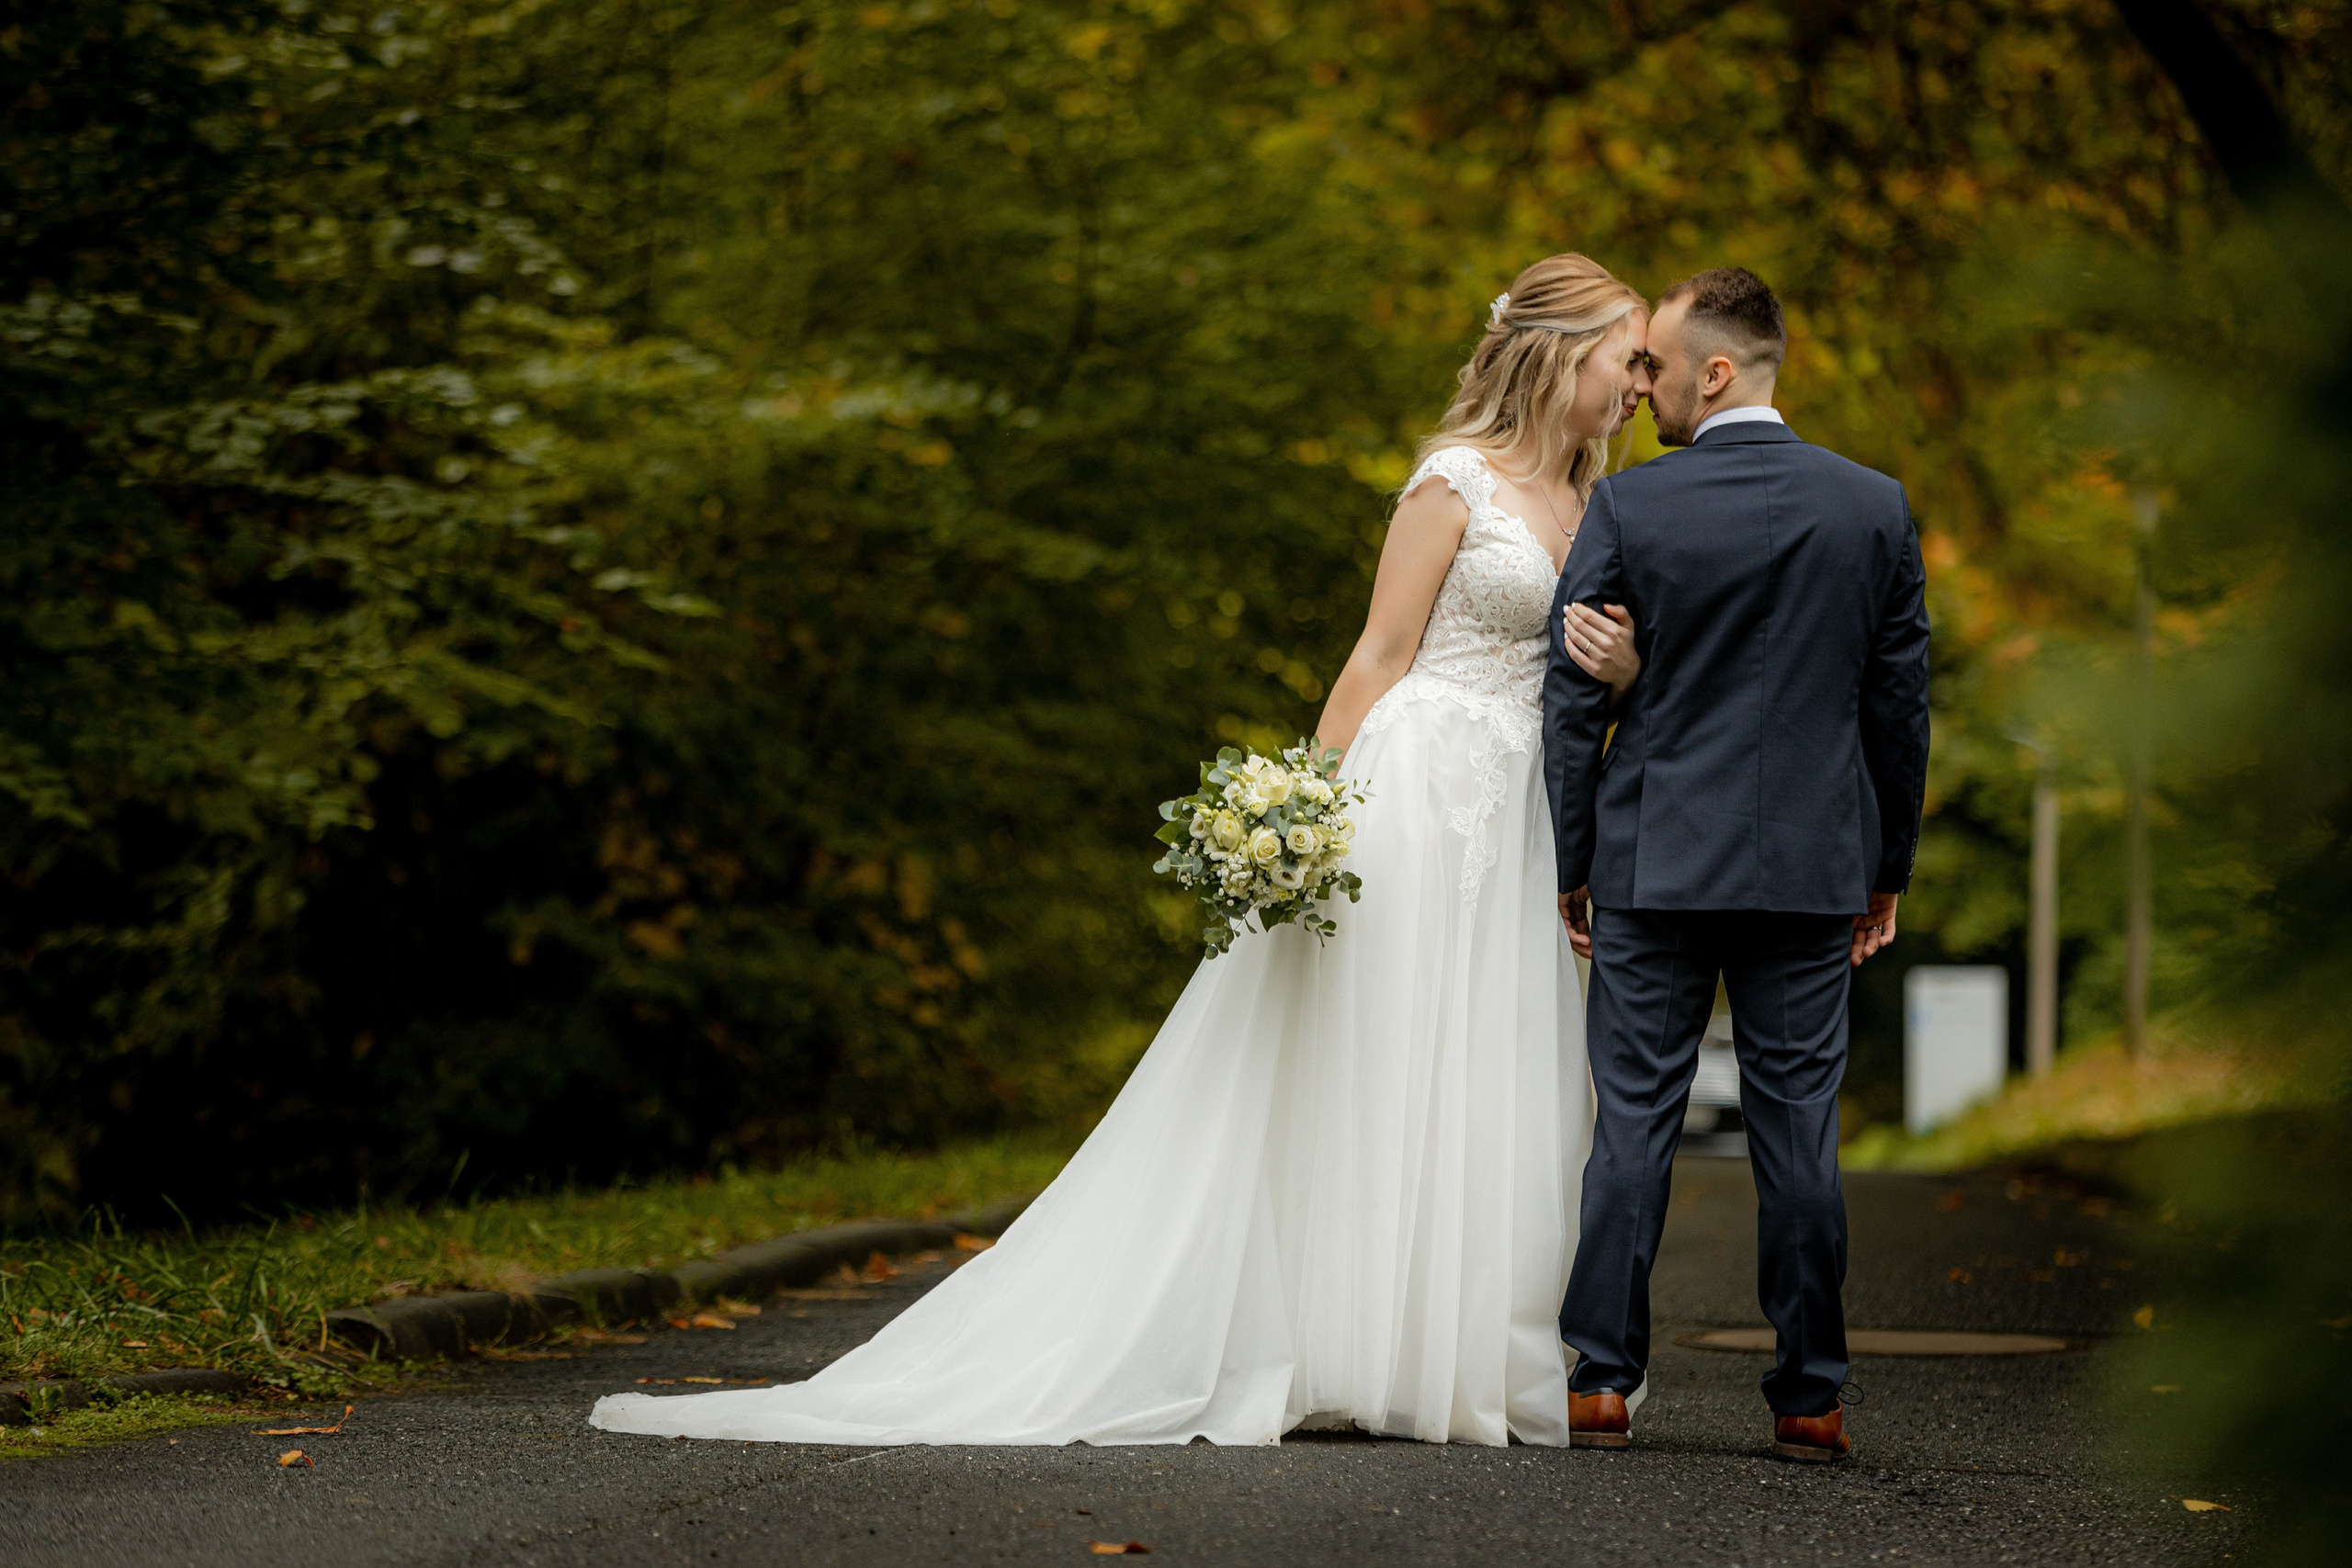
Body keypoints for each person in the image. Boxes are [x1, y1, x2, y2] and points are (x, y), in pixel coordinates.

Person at [589, 253, 1653, 1447]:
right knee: (1381, 1056)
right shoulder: (1449, 481)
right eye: (1627, 356)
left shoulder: (1601, 505)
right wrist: (1300, 816)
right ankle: (1330, 1343)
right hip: (1416, 791)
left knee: (1486, 1072)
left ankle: (1437, 1352)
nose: (1639, 383)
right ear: (1563, 354)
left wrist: (1624, 674)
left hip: (1521, 816)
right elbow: (1377, 656)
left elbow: (1591, 674)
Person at [1544, 266, 1932, 1463]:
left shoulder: (1633, 512)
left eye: (1654, 364)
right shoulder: (1874, 509)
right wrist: (1887, 865)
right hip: (1814, 867)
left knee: (1634, 1128)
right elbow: (1899, 706)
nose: (1641, 382)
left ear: (1718, 371)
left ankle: (1601, 1383)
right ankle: (1810, 1395)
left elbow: (1572, 699)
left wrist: (1572, 857)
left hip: (1655, 858)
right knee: (1798, 1132)